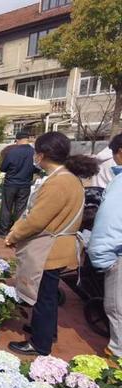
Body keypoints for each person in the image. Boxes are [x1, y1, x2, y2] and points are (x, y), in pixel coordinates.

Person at [6, 132, 99, 356]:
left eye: (37, 152)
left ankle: (40, 343)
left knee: (43, 295)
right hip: (55, 245)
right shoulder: (66, 177)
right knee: (47, 292)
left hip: (49, 247)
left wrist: (13, 235)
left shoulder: (59, 182)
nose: (34, 156)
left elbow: (36, 219)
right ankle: (45, 330)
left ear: (43, 154)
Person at [88, 133, 122, 358]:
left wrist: (99, 253)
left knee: (116, 307)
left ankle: (117, 354)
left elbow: (110, 221)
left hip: (117, 251)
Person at [0, 131, 37, 237]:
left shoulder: (12, 152)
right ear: (27, 139)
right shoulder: (34, 152)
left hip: (11, 183)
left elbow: (3, 168)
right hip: (25, 184)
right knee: (21, 208)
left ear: (18, 140)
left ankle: (3, 231)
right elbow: (37, 168)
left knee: (6, 207)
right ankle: (16, 231)